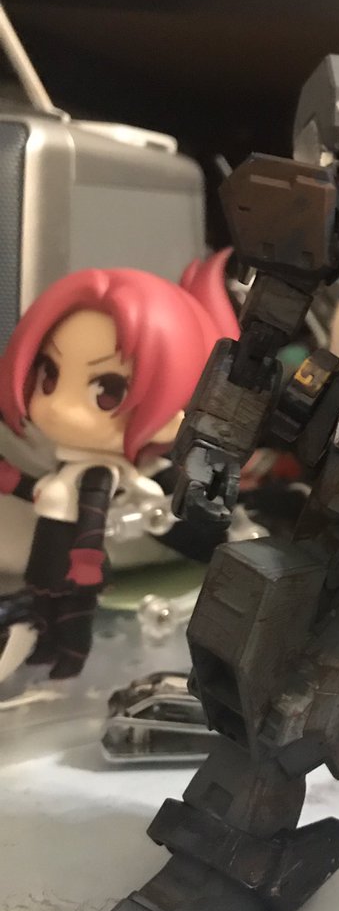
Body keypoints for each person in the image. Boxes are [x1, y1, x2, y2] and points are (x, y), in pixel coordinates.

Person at [0, 254, 238, 679]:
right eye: (49, 375)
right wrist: (12, 479)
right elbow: (40, 492)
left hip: (80, 562)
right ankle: (47, 649)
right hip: (48, 552)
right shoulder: (69, 467)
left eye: (106, 391)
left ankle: (69, 658)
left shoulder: (101, 476)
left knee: (73, 613)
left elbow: (93, 517)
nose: (60, 408)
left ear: (174, 414)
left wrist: (87, 560)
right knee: (44, 603)